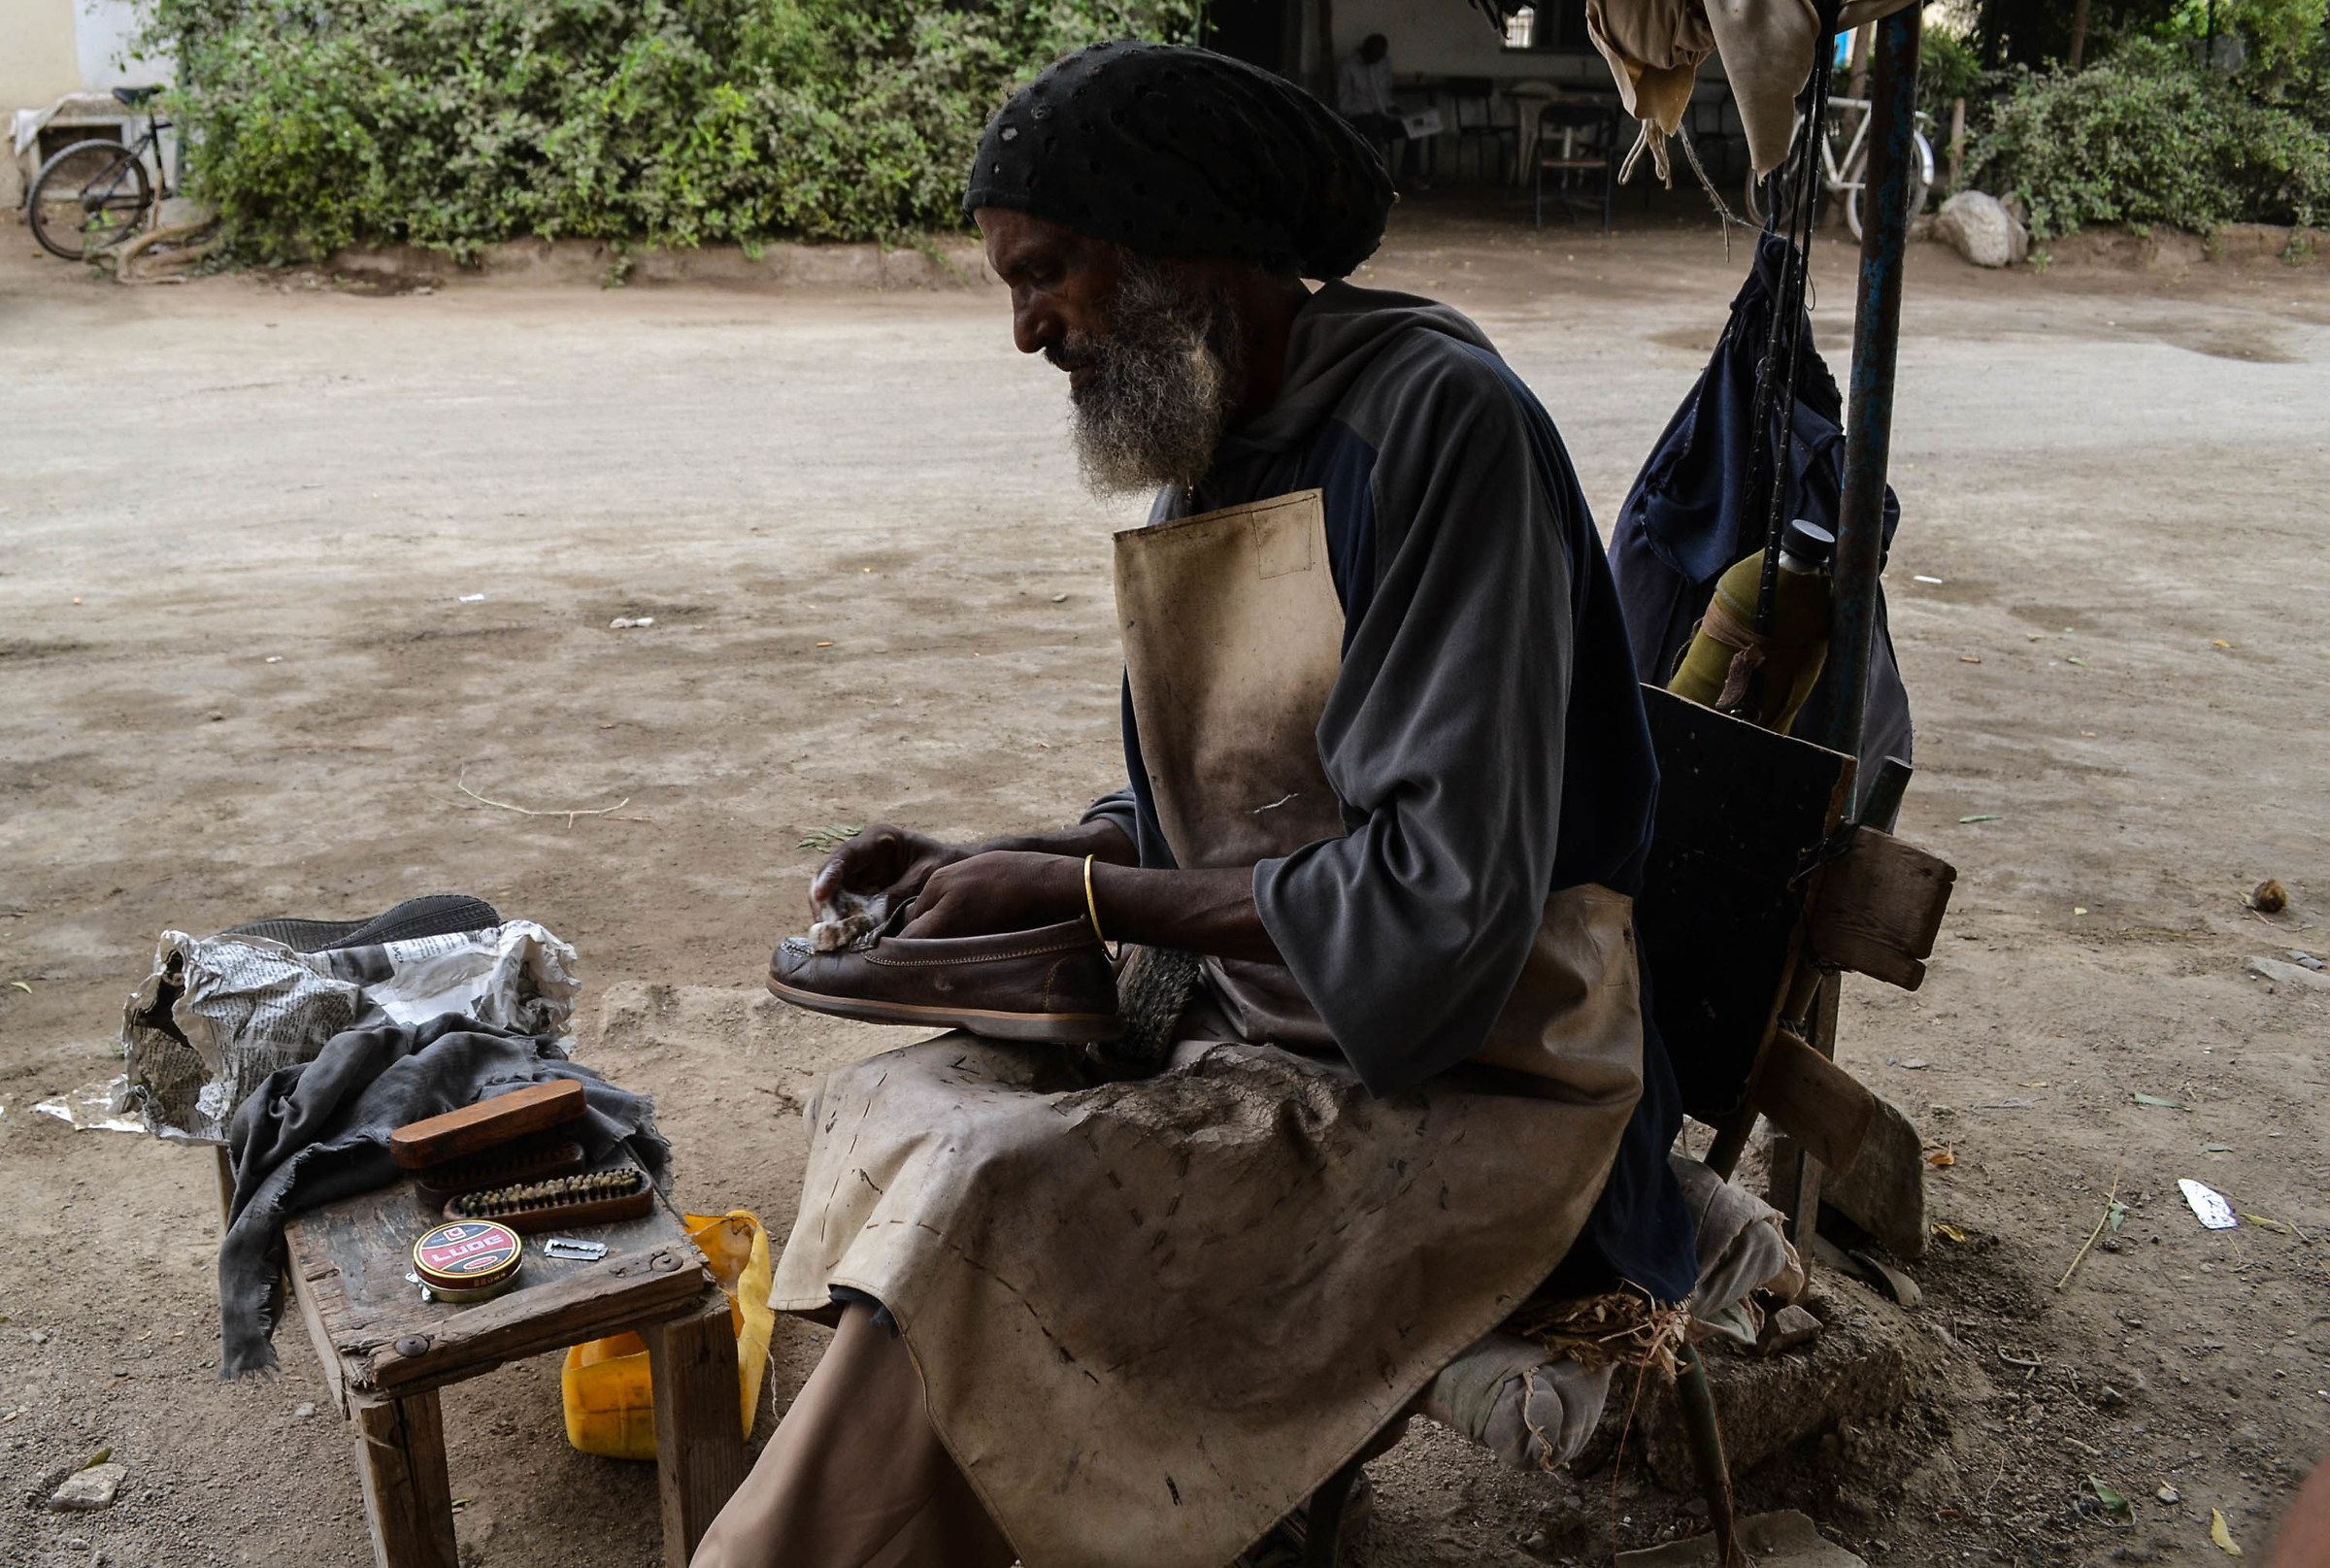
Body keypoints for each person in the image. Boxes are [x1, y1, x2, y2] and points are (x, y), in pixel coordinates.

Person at [692, 41, 1694, 1568]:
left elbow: (1436, 913)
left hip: (1488, 1075)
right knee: (899, 1106)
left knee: (991, 1197)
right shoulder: (1215, 429)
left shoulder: (1440, 431)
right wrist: (1002, 857)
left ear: (1178, 245)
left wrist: (1084, 894)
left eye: (1048, 274)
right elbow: (1213, 808)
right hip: (1272, 1011)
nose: (1028, 330)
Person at [1335, 33, 1425, 185]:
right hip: (1360, 117)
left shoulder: (1384, 63)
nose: (1376, 61)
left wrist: (1392, 109)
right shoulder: (1348, 66)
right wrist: (1369, 111)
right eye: (1373, 57)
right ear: (1364, 51)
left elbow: (1385, 93)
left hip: (1385, 113)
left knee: (1415, 125)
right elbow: (1344, 104)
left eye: (1379, 57)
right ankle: (1373, 175)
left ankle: (1409, 173)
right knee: (1373, 124)